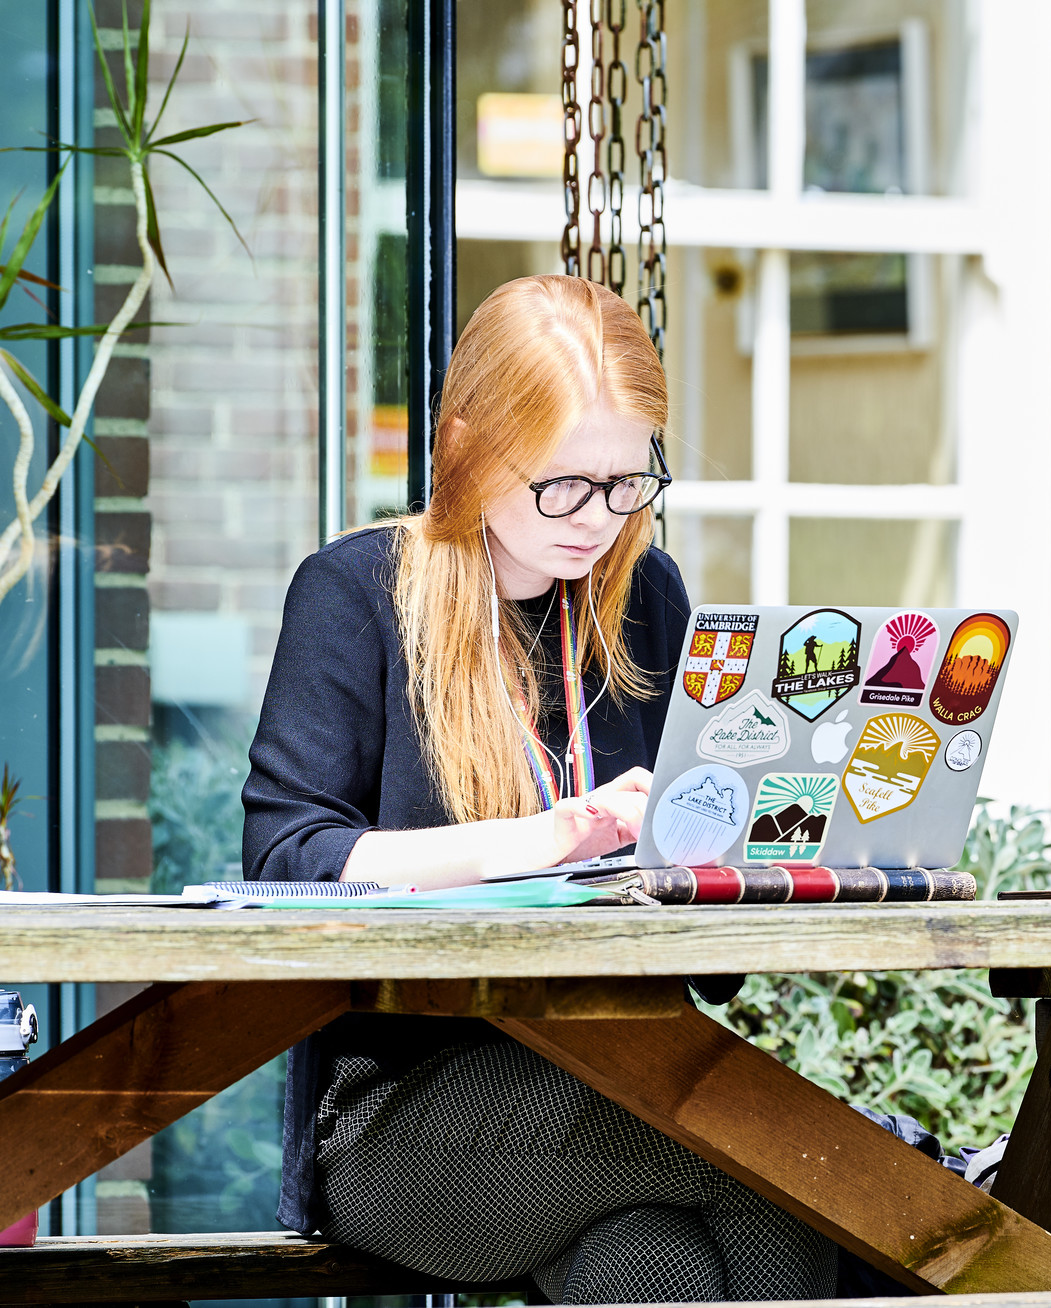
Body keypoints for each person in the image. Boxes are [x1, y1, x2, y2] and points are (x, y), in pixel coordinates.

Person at [242, 274, 836, 1304]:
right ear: (470, 442)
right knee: (784, 1158)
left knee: (658, 1271)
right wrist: (543, 836)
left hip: (619, 1061)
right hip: (397, 1112)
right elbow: (287, 861)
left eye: (623, 483)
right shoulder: (355, 594)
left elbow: (688, 897)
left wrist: (729, 835)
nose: (595, 519)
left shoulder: (645, 598)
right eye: (559, 483)